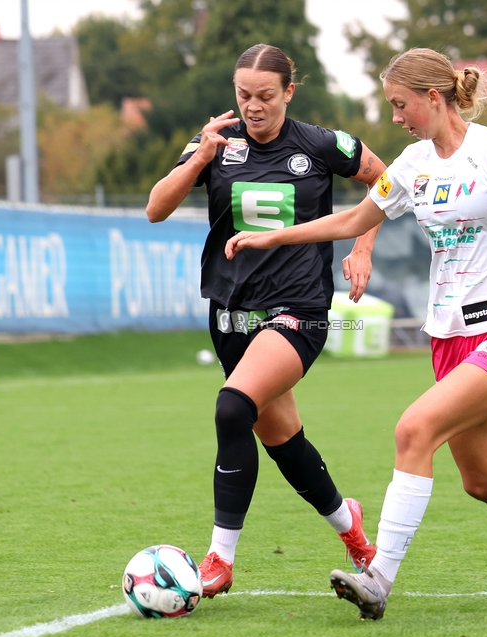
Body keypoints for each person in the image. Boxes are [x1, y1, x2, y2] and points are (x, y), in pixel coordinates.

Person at [226, 48, 487, 619]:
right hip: (449, 338)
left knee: (413, 429)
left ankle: (378, 579)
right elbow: (352, 222)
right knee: (482, 480)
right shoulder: (414, 163)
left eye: (400, 104)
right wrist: (273, 237)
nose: (395, 116)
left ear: (433, 98)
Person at [146, 43, 388, 598]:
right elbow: (156, 208)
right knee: (283, 442)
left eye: (265, 96)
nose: (252, 107)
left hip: (298, 311)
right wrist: (199, 159)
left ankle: (220, 560)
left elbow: (387, 181)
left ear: (288, 93)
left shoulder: (318, 144)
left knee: (232, 409)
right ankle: (351, 528)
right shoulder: (214, 144)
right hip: (230, 316)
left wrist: (363, 245)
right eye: (243, 95)